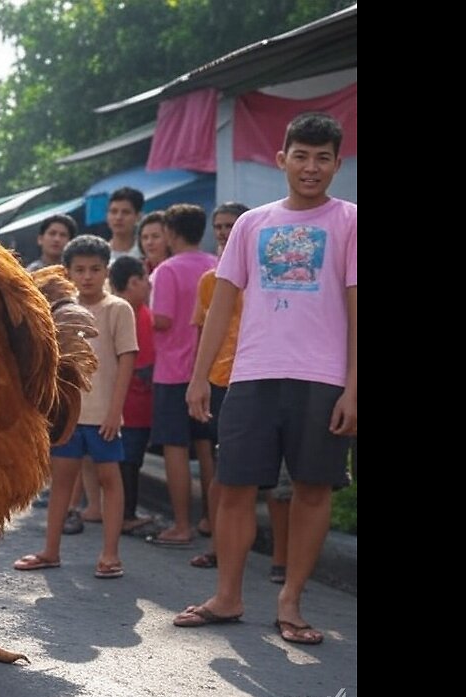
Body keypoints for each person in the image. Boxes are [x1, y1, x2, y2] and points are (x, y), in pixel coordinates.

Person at [175, 112, 356, 646]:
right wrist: (199, 376)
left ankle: (290, 602)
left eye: (323, 157)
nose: (311, 167)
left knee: (312, 488)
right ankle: (227, 596)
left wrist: (353, 385)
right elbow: (222, 303)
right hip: (251, 375)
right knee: (232, 486)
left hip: (321, 379)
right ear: (282, 160)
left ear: (337, 163)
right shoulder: (254, 223)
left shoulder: (348, 220)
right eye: (301, 155)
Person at [14, 237, 136, 578]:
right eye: (79, 270)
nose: (87, 277)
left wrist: (116, 411)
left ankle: (110, 554)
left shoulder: (118, 309)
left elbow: (127, 360)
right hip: (69, 415)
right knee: (62, 483)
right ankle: (50, 550)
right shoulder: (60, 311)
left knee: (109, 479)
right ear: (68, 274)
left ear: (106, 270)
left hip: (104, 417)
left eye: (95, 269)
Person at [145, 204, 217, 547]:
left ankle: (181, 525)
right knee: (207, 448)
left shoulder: (166, 271)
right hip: (211, 370)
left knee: (175, 446)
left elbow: (162, 319)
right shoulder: (216, 265)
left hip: (173, 371)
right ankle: (212, 521)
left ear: (171, 233)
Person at [188, 201, 250, 569]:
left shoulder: (263, 275)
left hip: (257, 375)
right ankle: (216, 544)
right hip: (219, 380)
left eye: (232, 226)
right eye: (221, 227)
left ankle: (279, 560)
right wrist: (199, 379)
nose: (226, 233)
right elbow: (201, 330)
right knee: (221, 466)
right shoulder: (209, 280)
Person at [108, 255, 156, 534]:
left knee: (127, 459)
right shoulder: (128, 312)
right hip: (132, 401)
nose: (148, 286)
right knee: (128, 460)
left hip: (131, 400)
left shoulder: (131, 310)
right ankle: (125, 515)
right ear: (134, 281)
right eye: (145, 280)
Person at [105, 187, 144, 262]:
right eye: (114, 212)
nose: (118, 217)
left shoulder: (146, 254)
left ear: (138, 217)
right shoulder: (99, 256)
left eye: (126, 212)